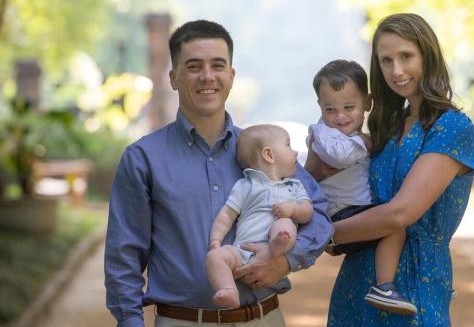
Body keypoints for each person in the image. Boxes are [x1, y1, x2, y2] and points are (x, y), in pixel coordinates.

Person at [104, 20, 333, 327]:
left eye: (218, 65)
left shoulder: (264, 148)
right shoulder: (143, 159)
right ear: (174, 77)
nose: (207, 76)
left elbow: (318, 212)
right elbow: (124, 256)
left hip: (264, 319)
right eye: (194, 66)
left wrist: (285, 261)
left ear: (231, 75)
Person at [306, 13, 474, 326]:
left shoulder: (451, 127)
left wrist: (320, 236)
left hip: (414, 283)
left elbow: (400, 214)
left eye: (406, 56)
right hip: (355, 284)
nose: (396, 70)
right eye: (386, 60)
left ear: (427, 56)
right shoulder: (387, 128)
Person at [308, 59, 416, 314]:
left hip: (353, 208)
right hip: (341, 212)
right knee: (395, 226)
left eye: (349, 107)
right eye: (330, 109)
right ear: (320, 107)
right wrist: (366, 143)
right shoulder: (323, 132)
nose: (340, 116)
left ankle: (410, 282)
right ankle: (384, 286)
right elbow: (339, 157)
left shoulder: (347, 133)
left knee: (402, 228)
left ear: (367, 103)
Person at [206, 124, 314, 309]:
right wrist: (216, 240)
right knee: (214, 258)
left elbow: (308, 211)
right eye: (288, 145)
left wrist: (293, 210)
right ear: (269, 155)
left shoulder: (293, 186)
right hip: (241, 251)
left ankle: (278, 244)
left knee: (285, 223)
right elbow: (226, 215)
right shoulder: (244, 185)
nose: (295, 152)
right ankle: (229, 290)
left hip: (273, 252)